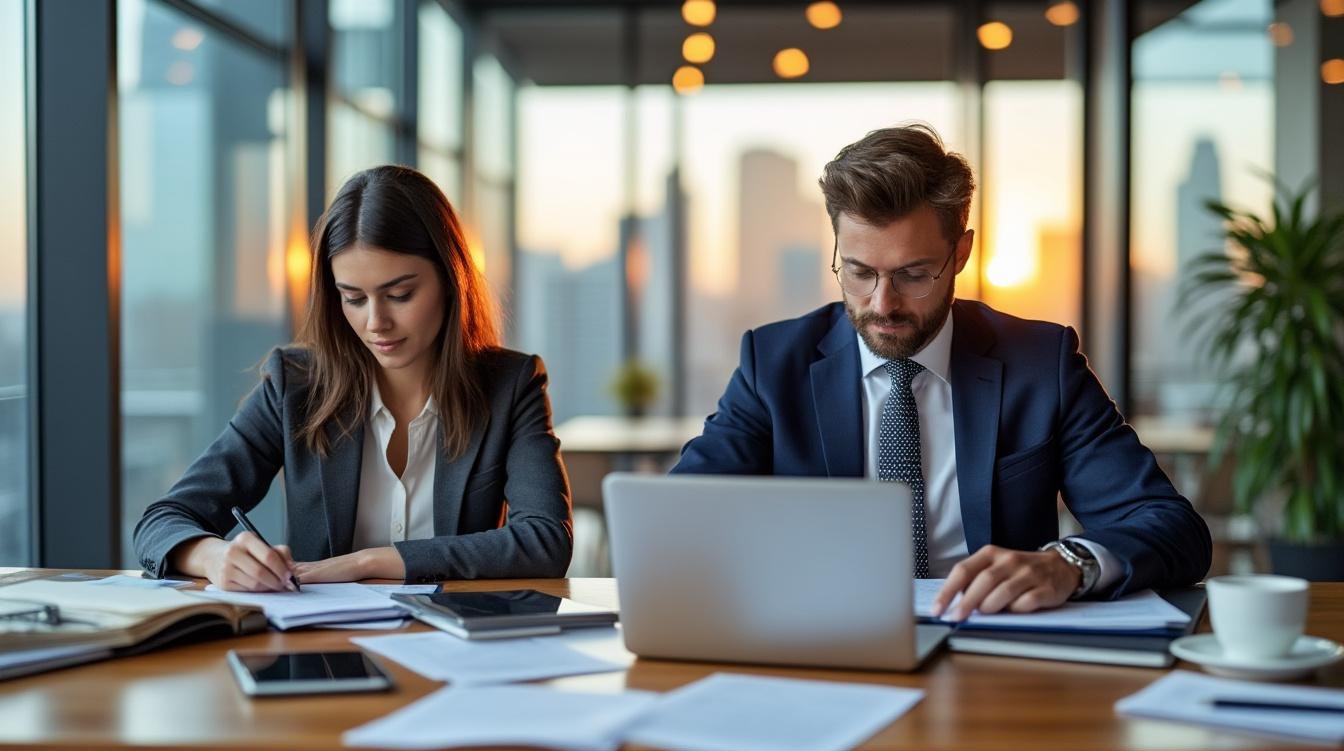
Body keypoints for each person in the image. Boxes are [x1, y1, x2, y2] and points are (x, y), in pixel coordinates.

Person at [672, 124, 1210, 620]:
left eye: (913, 274)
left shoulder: (1041, 363)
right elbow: (679, 521)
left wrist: (1071, 564)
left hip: (994, 654)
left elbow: (1170, 526)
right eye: (859, 271)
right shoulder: (774, 364)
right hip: (821, 643)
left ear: (961, 253)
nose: (882, 303)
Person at [133, 166, 572, 590]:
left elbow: (545, 540)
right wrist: (215, 557)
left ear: (450, 279)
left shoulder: (511, 385)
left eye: (400, 295)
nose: (375, 322)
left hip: (457, 651)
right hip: (325, 654)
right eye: (354, 298)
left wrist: (367, 562)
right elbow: (162, 522)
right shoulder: (295, 385)